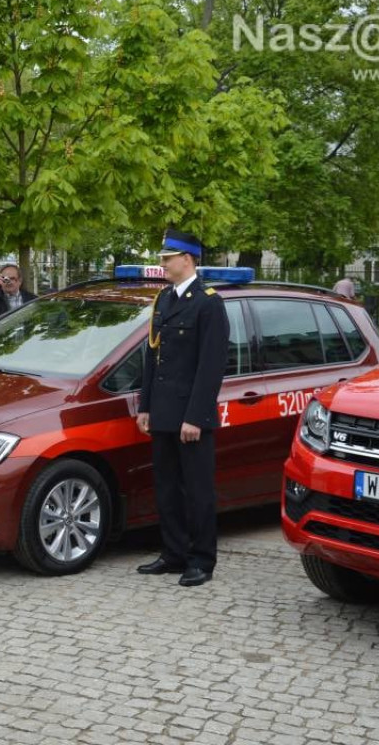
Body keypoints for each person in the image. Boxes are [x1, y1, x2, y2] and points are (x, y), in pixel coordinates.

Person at [135, 229, 229, 588]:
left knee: (198, 490)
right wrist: (145, 405)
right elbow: (153, 358)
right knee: (167, 487)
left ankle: (201, 559)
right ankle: (173, 553)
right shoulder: (164, 300)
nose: (162, 264)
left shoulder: (208, 302)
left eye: (167, 258)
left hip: (191, 415)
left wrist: (196, 416)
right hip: (162, 411)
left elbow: (211, 366)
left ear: (187, 259)